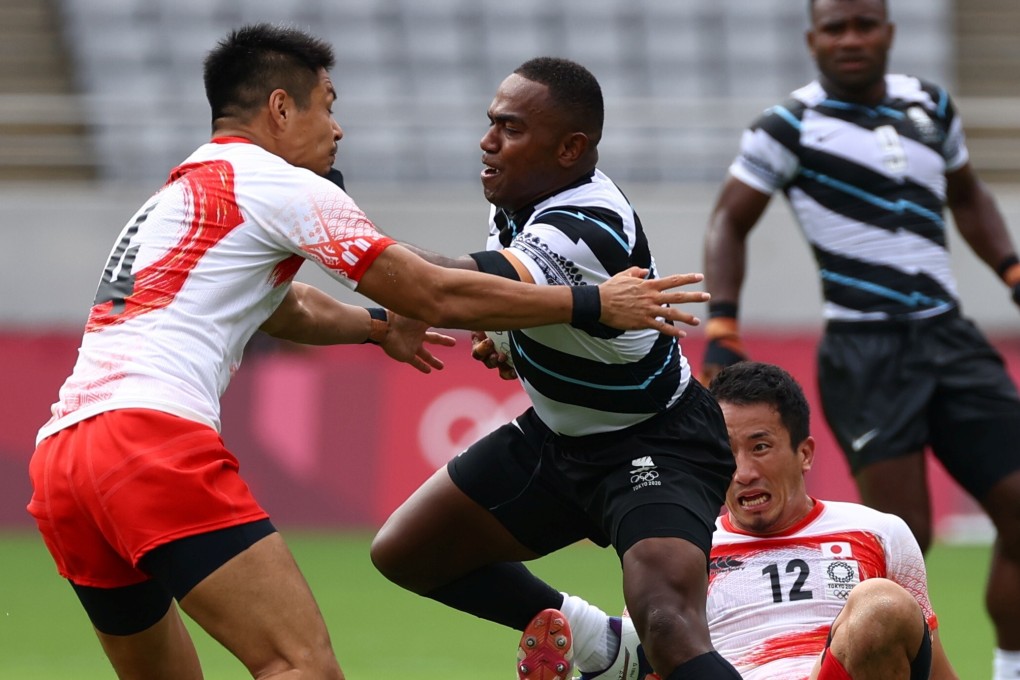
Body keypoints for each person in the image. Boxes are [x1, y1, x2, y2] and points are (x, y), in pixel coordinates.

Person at [25, 25, 707, 680]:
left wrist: (378, 327)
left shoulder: (179, 194)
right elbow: (432, 290)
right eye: (328, 107)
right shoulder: (278, 184)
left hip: (63, 459)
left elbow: (286, 307)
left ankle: (603, 648)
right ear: (281, 108)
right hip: (149, 441)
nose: (338, 129)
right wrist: (593, 304)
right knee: (299, 667)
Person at [370, 57, 742, 680]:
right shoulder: (519, 196)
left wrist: (311, 223)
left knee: (668, 624)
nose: (487, 143)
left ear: (570, 149)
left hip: (654, 443)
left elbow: (439, 285)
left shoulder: (585, 224)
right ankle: (604, 647)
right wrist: (509, 339)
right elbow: (513, 294)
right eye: (491, 123)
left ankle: (636, 645)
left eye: (510, 129)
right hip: (557, 439)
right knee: (407, 552)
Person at [699, 1, 1020, 676]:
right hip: (865, 350)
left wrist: (1011, 269)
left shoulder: (929, 104)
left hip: (949, 335)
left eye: (863, 24)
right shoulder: (788, 125)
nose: (850, 38)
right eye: (835, 28)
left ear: (889, 33)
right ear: (812, 39)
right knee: (904, 538)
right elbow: (729, 219)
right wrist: (723, 324)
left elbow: (967, 196)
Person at [555, 361, 958, 680]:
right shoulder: (681, 548)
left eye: (760, 447)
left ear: (804, 453)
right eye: (728, 451)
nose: (743, 471)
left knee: (881, 607)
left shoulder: (879, 532)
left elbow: (933, 671)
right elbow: (639, 660)